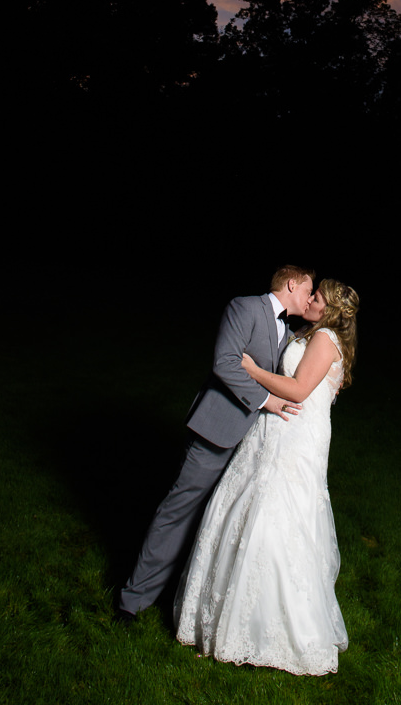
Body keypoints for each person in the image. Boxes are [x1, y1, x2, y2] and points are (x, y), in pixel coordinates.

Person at [174, 278, 359, 676]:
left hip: (295, 433)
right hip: (273, 429)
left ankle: (275, 626)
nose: (310, 300)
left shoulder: (324, 338)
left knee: (278, 515)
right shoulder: (311, 333)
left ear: (326, 309)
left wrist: (253, 370)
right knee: (245, 505)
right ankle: (225, 619)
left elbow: (296, 390)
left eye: (317, 297)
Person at [118, 265, 316, 621]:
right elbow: (225, 363)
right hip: (217, 431)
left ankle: (191, 603)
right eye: (308, 290)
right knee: (180, 511)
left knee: (220, 521)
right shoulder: (244, 308)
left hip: (255, 443)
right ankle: (132, 601)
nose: (310, 297)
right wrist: (265, 400)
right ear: (291, 284)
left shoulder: (287, 329)